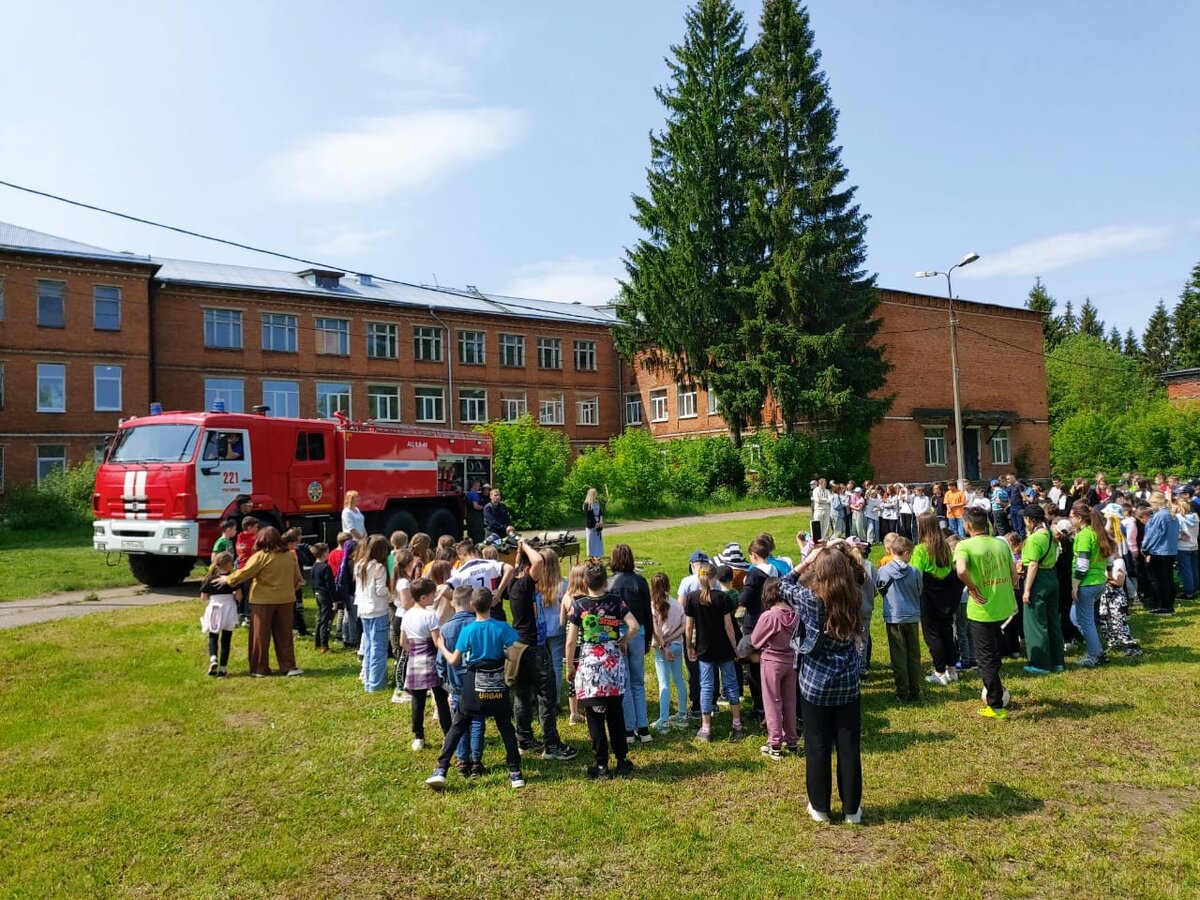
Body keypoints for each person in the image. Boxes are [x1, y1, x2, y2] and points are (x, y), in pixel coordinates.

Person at [778, 546, 864, 824]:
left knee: (817, 746)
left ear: (820, 572)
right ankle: (852, 810)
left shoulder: (811, 599)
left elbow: (781, 585)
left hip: (815, 684)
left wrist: (806, 562)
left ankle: (820, 807)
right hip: (848, 682)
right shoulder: (854, 596)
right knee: (849, 746)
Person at [426, 589, 526, 791]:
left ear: (472, 606)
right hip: (497, 686)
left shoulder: (468, 630)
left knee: (458, 725)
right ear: (492, 605)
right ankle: (515, 773)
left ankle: (441, 769)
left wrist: (441, 645)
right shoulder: (501, 627)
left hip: (473, 687)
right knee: (506, 727)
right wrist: (504, 654)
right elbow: (515, 655)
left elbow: (454, 661)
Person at [565, 561, 641, 778]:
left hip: (589, 665)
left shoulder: (578, 606)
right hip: (612, 663)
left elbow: (570, 642)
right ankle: (622, 760)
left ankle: (601, 765)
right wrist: (623, 640)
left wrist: (569, 667)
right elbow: (634, 626)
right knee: (615, 712)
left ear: (585, 582)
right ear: (605, 581)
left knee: (593, 716)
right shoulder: (616, 602)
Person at [508, 541, 577, 760]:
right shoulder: (524, 585)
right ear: (529, 570)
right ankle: (552, 745)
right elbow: (537, 560)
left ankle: (525, 739)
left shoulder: (514, 582)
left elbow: (526, 563)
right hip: (533, 649)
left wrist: (520, 554)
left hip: (519, 646)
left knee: (522, 693)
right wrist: (524, 544)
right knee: (546, 697)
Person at [954, 507, 1018, 719]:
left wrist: (972, 587)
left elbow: (961, 570)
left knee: (985, 657)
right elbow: (1013, 570)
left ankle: (995, 705)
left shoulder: (964, 545)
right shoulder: (1001, 542)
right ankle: (997, 686)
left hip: (982, 609)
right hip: (1004, 605)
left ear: (968, 525)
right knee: (994, 649)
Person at [221, 526, 305, 677]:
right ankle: (289, 667)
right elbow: (297, 579)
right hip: (286, 599)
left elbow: (245, 572)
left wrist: (227, 579)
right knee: (285, 635)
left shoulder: (260, 556)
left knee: (260, 636)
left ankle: (260, 669)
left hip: (262, 601)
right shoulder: (290, 556)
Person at [684, 563, 744, 743]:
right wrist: (735, 647)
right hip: (724, 648)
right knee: (731, 684)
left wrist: (689, 645)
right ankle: (737, 723)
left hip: (704, 648)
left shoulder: (692, 598)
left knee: (706, 686)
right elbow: (729, 627)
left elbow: (689, 626)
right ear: (714, 577)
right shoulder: (723, 598)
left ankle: (706, 727)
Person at [438, 586, 486, 776]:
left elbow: (440, 661)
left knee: (459, 723)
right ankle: (476, 761)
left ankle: (462, 761)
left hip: (457, 685)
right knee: (477, 722)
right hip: (477, 682)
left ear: (452, 602)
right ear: (471, 604)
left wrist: (446, 682)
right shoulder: (478, 624)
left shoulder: (446, 628)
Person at [910, 512, 962, 687]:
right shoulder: (946, 547)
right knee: (947, 632)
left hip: (928, 596)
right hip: (946, 594)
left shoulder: (920, 549)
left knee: (932, 635)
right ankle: (952, 670)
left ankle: (939, 672)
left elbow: (915, 574)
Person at [401, 577, 452, 751]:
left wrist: (414, 651)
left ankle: (418, 736)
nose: (433, 598)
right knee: (441, 698)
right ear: (423, 598)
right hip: (431, 660)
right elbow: (436, 640)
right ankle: (448, 733)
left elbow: (403, 642)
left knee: (417, 700)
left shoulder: (407, 615)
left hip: (415, 661)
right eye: (431, 595)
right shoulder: (430, 615)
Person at [749, 578, 797, 760]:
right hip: (791, 660)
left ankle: (775, 742)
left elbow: (755, 640)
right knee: (790, 701)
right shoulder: (796, 614)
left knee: (772, 701)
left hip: (772, 661)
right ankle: (791, 740)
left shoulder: (769, 616)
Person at [608, 543, 652, 743]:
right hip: (639, 631)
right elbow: (647, 614)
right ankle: (643, 728)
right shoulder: (640, 581)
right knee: (638, 682)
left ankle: (628, 730)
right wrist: (648, 638)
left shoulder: (609, 583)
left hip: (619, 634)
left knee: (623, 683)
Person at [876, 536, 923, 701]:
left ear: (891, 550)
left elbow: (880, 590)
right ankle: (915, 690)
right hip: (911, 617)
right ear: (907, 553)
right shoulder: (915, 571)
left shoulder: (883, 571)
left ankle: (902, 692)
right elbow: (920, 590)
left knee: (898, 656)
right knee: (913, 655)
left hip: (894, 617)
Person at [1018, 507, 1065, 674]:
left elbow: (1033, 564)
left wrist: (1027, 590)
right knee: (1053, 621)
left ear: (1031, 520)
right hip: (1052, 576)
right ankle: (1057, 661)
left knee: (1036, 622)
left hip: (1038, 579)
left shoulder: (1034, 539)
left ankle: (1040, 663)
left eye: (1025, 519)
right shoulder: (1051, 534)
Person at [1070, 500, 1116, 665]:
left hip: (1087, 583)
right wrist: (1109, 572)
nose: (1070, 520)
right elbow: (1109, 556)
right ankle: (1096, 649)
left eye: (1071, 517)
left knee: (1085, 621)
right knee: (1076, 617)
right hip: (1099, 582)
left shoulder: (1084, 535)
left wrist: (1075, 586)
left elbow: (1082, 565)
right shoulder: (1098, 532)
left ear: (1079, 518)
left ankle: (1094, 656)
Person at [353, 535, 393, 692]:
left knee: (369, 647)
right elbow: (380, 590)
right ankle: (376, 684)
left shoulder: (360, 564)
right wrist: (391, 592)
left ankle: (369, 681)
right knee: (379, 648)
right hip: (377, 610)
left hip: (363, 610)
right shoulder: (379, 568)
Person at [649, 572, 687, 733]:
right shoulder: (677, 604)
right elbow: (684, 625)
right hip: (677, 645)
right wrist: (672, 638)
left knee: (663, 683)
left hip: (661, 648)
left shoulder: (653, 605)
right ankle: (683, 714)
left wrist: (664, 646)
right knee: (679, 680)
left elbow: (655, 630)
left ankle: (663, 721)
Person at [199, 551, 238, 677]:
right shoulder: (232, 579)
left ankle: (213, 658)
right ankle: (222, 669)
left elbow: (203, 597)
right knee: (226, 639)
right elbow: (239, 596)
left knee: (213, 636)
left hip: (215, 607)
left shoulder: (209, 578)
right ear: (229, 564)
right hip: (229, 608)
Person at [310, 543, 336, 653]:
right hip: (325, 596)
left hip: (317, 594)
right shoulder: (326, 567)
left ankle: (317, 642)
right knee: (325, 620)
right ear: (325, 553)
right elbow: (330, 585)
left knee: (319, 619)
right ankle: (324, 645)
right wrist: (334, 600)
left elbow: (312, 582)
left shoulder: (314, 566)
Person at [1175, 496, 1199, 601]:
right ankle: (1195, 588)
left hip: (1183, 547)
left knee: (1186, 571)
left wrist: (1179, 536)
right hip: (1194, 545)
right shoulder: (1195, 516)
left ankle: (1189, 592)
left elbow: (1176, 532)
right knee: (1194, 569)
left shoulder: (1178, 518)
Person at [583, 488, 604, 558]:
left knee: (598, 540)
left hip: (598, 523)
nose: (596, 495)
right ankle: (592, 554)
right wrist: (595, 523)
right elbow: (589, 516)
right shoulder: (586, 504)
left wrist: (601, 521)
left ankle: (598, 554)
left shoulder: (597, 503)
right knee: (591, 540)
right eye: (595, 494)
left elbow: (600, 513)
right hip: (591, 525)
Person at [464, 479, 486, 544]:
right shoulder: (474, 495)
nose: (479, 488)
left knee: (471, 534)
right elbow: (475, 506)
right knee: (478, 535)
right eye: (478, 486)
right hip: (475, 518)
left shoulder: (468, 493)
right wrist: (483, 507)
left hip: (469, 516)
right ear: (475, 485)